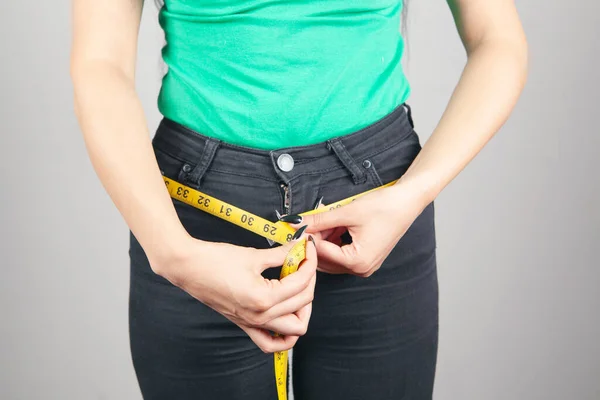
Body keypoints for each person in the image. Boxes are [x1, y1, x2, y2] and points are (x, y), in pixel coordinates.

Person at [70, 0, 527, 398]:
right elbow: (100, 62)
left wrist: (413, 193)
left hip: (382, 209)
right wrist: (173, 252)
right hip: (191, 226)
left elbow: (498, 38)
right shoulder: (180, 247)